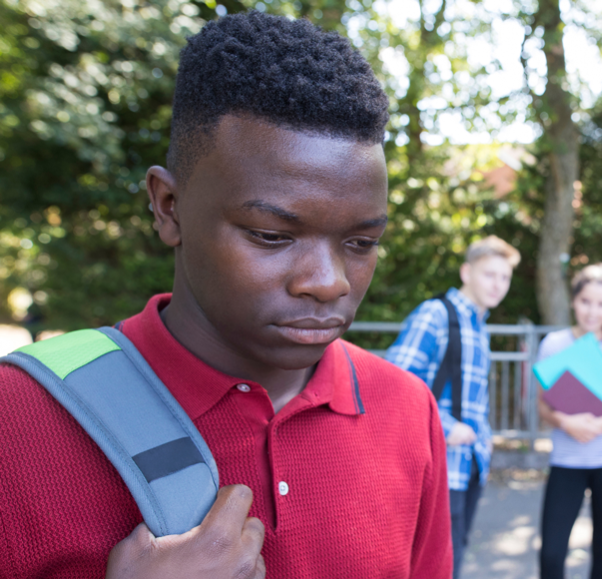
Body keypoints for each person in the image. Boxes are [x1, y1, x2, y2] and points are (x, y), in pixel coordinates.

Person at [0, 12, 452, 579]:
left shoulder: (405, 409)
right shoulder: (17, 417)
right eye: (272, 235)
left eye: (361, 242)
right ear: (169, 206)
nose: (329, 280)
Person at [385, 235, 521, 579]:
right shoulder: (436, 315)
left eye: (504, 277)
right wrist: (446, 428)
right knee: (433, 566)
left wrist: (483, 441)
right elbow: (396, 384)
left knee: (452, 559)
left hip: (470, 464)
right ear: (466, 272)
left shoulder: (478, 325)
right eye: (489, 274)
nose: (498, 284)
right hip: (437, 465)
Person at [535, 263, 602, 579]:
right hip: (567, 460)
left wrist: (592, 426)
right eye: (585, 301)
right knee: (552, 554)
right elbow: (543, 406)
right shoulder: (553, 344)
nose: (592, 311)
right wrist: (567, 423)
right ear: (573, 301)